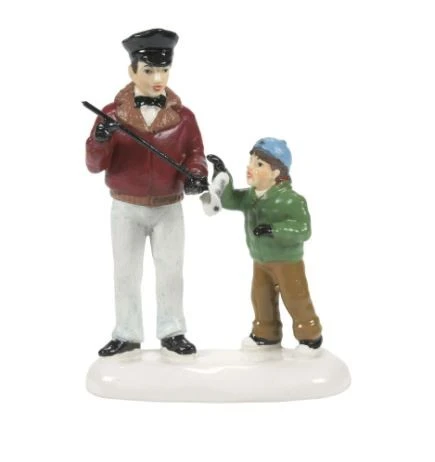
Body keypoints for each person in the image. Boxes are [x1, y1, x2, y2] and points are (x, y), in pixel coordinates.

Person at [86, 29, 208, 356]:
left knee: (170, 272)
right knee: (126, 273)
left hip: (169, 206)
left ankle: (172, 331)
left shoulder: (184, 117)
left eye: (164, 70)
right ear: (132, 71)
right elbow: (94, 165)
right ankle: (127, 333)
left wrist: (197, 174)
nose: (158, 78)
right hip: (126, 207)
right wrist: (100, 139)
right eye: (149, 70)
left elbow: (195, 153)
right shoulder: (111, 116)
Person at [207, 138, 322, 349]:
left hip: (287, 263)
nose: (250, 167)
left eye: (259, 164)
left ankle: (310, 335)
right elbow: (230, 200)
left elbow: (303, 230)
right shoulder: (251, 196)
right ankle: (266, 333)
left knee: (295, 298)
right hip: (260, 260)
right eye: (251, 161)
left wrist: (273, 230)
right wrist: (223, 176)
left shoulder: (291, 200)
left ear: (276, 172)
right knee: (261, 297)